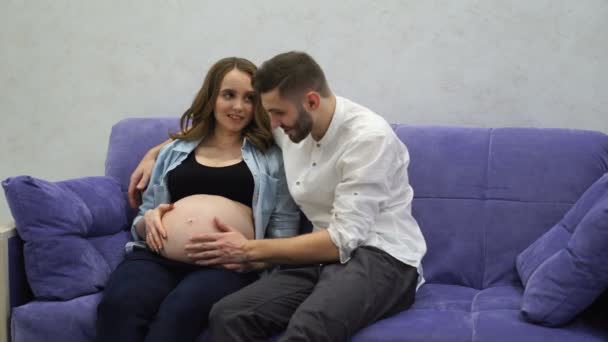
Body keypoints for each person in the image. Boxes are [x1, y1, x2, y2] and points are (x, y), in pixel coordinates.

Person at [130, 51, 427, 341]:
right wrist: (153, 153)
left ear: (311, 101)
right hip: (321, 257)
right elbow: (210, 128)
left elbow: (342, 241)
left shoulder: (368, 139)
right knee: (229, 315)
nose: (271, 124)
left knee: (309, 328)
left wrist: (247, 251)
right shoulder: (291, 125)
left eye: (276, 114)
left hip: (382, 257)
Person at [96, 57, 300, 342]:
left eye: (249, 98)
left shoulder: (270, 157)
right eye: (229, 95)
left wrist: (252, 258)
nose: (239, 106)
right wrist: (148, 222)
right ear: (212, 97)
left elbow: (283, 227)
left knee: (179, 311)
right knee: (119, 305)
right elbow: (145, 212)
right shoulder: (175, 150)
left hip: (226, 265)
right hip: (156, 257)